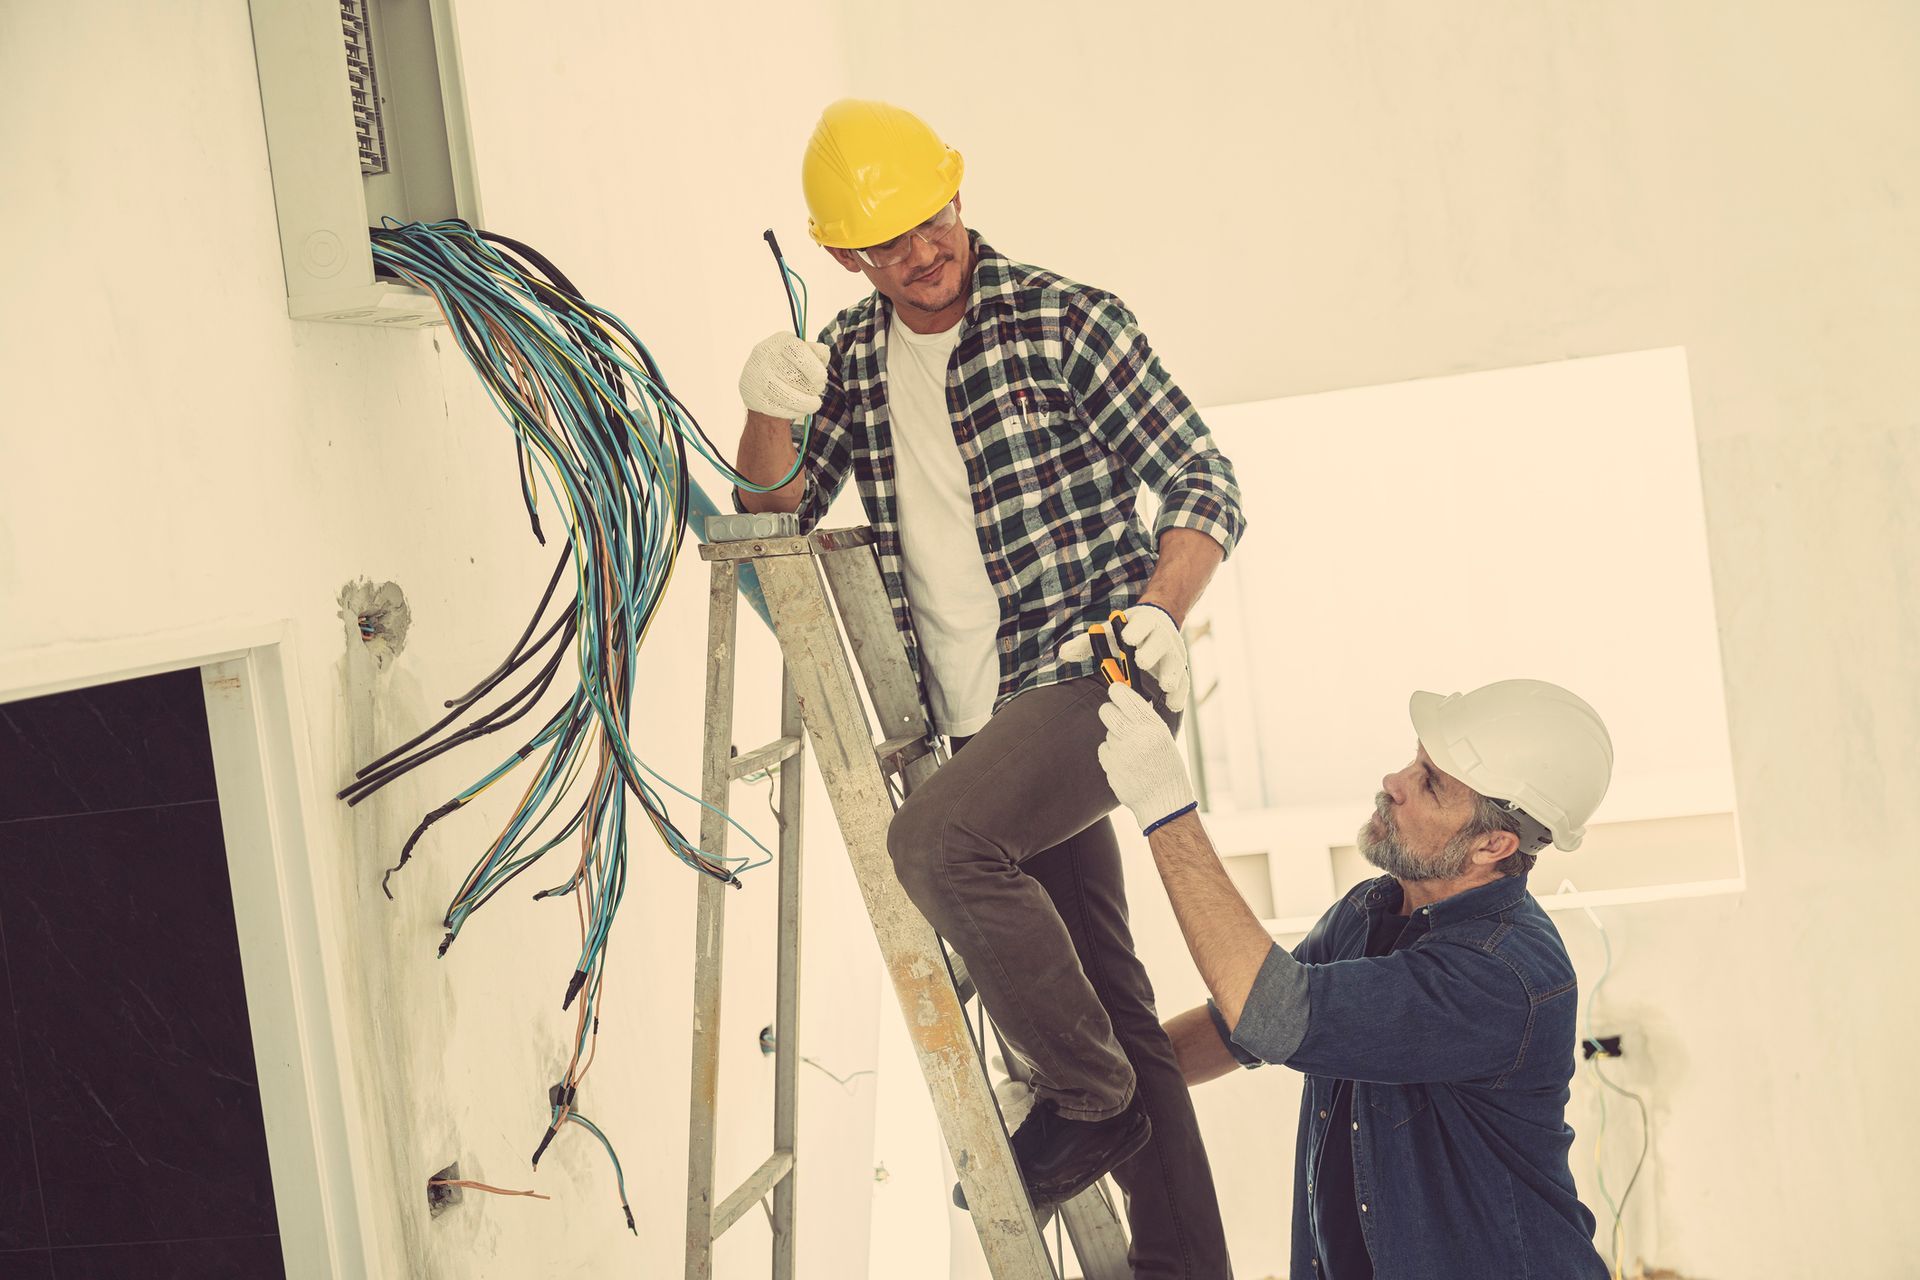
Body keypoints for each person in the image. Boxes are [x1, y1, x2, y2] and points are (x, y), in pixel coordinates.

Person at [732, 99, 1244, 1277]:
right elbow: (776, 515)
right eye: (891, 241)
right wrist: (767, 405)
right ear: (843, 255)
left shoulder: (1065, 319)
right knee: (1116, 996)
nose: (925, 251)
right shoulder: (855, 359)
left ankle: (1087, 1097)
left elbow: (1202, 478)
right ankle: (1186, 1263)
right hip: (972, 719)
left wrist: (1163, 605)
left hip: (1089, 681)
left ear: (957, 196)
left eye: (934, 218)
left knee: (937, 842)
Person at [1095, 677, 1617, 1278]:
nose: (1394, 783)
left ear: (1491, 844)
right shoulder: (1373, 909)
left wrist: (1167, 809)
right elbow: (1237, 1027)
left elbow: (1272, 1012)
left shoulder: (1502, 976)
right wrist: (1098, 1084)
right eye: (1415, 761)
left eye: (1431, 784)